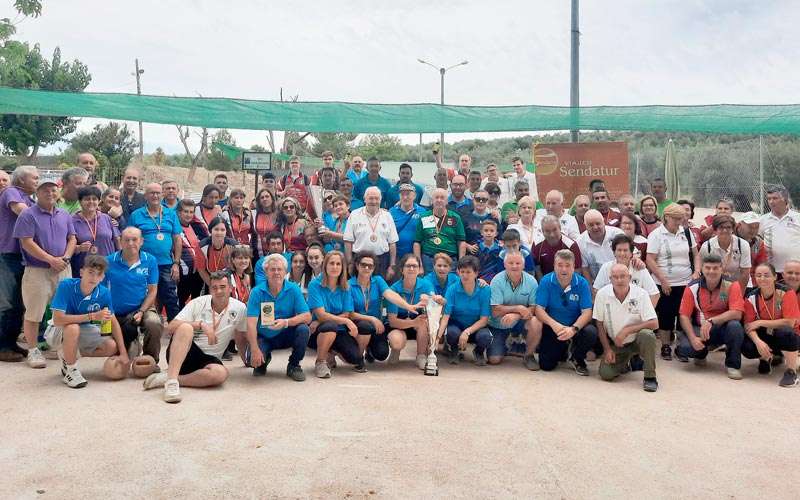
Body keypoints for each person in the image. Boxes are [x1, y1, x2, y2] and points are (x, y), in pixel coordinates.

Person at [143, 271, 247, 403]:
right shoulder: (198, 302)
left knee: (221, 374)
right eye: (214, 287)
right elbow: (171, 327)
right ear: (210, 289)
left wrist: (247, 360)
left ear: (231, 288)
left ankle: (170, 378)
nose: (219, 291)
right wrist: (200, 325)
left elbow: (241, 336)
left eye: (223, 287)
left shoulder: (240, 308)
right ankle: (172, 384)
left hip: (210, 360)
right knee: (185, 327)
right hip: (185, 351)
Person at [14, 179, 76, 368]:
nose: (50, 193)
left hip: (63, 269)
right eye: (45, 190)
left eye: (53, 189)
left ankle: (62, 348)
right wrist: (51, 259)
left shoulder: (64, 214)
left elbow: (72, 238)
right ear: (37, 193)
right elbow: (26, 242)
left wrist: (65, 257)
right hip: (37, 271)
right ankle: (33, 351)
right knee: (34, 312)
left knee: (64, 311)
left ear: (58, 193)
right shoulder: (27, 215)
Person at [46, 254, 129, 388]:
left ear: (102, 277)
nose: (94, 277)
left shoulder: (104, 293)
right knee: (73, 327)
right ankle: (71, 370)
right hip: (58, 330)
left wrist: (123, 353)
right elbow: (57, 319)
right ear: (81, 272)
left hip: (84, 330)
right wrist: (91, 316)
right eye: (90, 272)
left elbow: (113, 321)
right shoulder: (66, 285)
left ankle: (68, 357)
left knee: (111, 346)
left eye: (98, 274)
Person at [676, 254, 746, 379]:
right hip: (699, 327)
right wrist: (693, 338)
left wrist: (712, 321)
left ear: (722, 268)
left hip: (723, 328)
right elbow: (684, 316)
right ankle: (701, 354)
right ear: (702, 269)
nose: (711, 271)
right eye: (707, 268)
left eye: (715, 268)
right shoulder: (692, 287)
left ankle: (733, 365)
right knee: (685, 349)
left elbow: (737, 313)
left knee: (735, 326)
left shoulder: (732, 285)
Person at [646, 202, 700, 361]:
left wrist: (696, 271)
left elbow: (696, 255)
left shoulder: (687, 232)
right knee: (665, 314)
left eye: (681, 218)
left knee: (683, 314)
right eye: (676, 219)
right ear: (666, 217)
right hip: (665, 282)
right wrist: (663, 280)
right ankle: (665, 345)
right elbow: (650, 259)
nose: (679, 222)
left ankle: (681, 347)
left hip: (686, 282)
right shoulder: (657, 235)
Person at [594, 263, 660, 392]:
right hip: (617, 344)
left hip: (637, 340)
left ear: (629, 277)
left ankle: (650, 377)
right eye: (615, 277)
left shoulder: (641, 294)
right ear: (610, 279)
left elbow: (654, 323)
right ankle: (625, 362)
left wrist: (627, 330)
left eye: (623, 276)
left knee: (647, 335)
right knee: (606, 374)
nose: (619, 280)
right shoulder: (602, 294)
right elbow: (599, 324)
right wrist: (607, 349)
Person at [245, 253, 311, 381]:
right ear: (265, 272)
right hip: (265, 336)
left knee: (303, 329)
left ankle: (294, 365)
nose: (276, 273)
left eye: (279, 269)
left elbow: (307, 316)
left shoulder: (293, 289)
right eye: (272, 269)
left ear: (285, 271)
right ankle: (264, 359)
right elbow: (251, 324)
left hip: (287, 334)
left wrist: (286, 322)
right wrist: (254, 349)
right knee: (250, 360)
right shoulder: (257, 292)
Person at [103, 227, 163, 365]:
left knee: (154, 323)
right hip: (116, 312)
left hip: (142, 307)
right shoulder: (108, 261)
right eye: (127, 240)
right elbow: (101, 290)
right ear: (120, 242)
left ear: (141, 241)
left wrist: (142, 311)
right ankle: (133, 344)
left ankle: (151, 360)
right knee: (121, 360)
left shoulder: (150, 260)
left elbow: (153, 290)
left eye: (134, 239)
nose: (130, 243)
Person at [349, 252, 421, 364]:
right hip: (358, 326)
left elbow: (390, 294)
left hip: (376, 326)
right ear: (357, 266)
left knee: (382, 354)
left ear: (374, 268)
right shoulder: (349, 285)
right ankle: (359, 358)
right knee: (364, 326)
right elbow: (350, 313)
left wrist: (408, 306)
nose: (367, 268)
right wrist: (372, 319)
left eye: (370, 266)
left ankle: (370, 350)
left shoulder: (377, 281)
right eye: (363, 265)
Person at [534, 249, 598, 375]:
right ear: (554, 265)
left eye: (568, 265)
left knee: (591, 331)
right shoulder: (546, 281)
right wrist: (554, 325)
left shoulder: (582, 283)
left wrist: (573, 329)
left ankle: (577, 357)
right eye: (560, 265)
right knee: (546, 365)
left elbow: (587, 312)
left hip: (575, 327)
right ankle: (563, 349)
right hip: (553, 327)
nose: (564, 269)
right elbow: (539, 310)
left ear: (574, 266)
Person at [128, 183, 183, 321]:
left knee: (171, 298)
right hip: (143, 264)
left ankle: (174, 331)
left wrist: (176, 263)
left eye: (158, 193)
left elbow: (177, 239)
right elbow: (129, 239)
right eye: (151, 193)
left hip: (166, 264)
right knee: (141, 296)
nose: (155, 195)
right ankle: (141, 327)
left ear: (162, 194)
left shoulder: (171, 214)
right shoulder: (136, 215)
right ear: (145, 195)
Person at [0, 165, 37, 362]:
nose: (37, 181)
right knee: (7, 303)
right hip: (7, 254)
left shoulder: (30, 199)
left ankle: (11, 343)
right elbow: (23, 212)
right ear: (22, 180)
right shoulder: (11, 192)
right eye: (35, 178)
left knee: (19, 303)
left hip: (21, 256)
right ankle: (3, 346)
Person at [741, 262, 800, 387]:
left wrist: (760, 322)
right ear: (755, 278)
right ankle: (765, 358)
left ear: (775, 277)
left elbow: (790, 322)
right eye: (759, 275)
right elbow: (748, 326)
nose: (762, 279)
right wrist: (758, 342)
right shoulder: (751, 297)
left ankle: (791, 372)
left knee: (787, 333)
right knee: (747, 347)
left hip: (785, 332)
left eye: (766, 275)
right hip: (765, 333)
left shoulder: (786, 293)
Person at [307, 251, 364, 378]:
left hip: (339, 330)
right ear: (325, 265)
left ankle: (330, 352)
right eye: (331, 263)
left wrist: (325, 318)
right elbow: (321, 315)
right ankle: (320, 362)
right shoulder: (314, 285)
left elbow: (347, 313)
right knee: (329, 326)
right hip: (319, 331)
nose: (335, 267)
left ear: (342, 267)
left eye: (338, 264)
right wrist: (346, 321)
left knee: (355, 358)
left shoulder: (346, 286)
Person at [386, 254, 444, 368]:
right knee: (396, 341)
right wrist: (413, 322)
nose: (411, 269)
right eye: (408, 266)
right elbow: (392, 321)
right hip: (399, 324)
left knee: (424, 321)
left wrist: (434, 300)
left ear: (419, 269)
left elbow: (434, 299)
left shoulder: (426, 284)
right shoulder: (394, 289)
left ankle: (421, 356)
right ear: (402, 270)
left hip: (419, 323)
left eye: (414, 266)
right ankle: (395, 350)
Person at [487, 251, 541, 368]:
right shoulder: (497, 280)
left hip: (520, 322)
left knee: (536, 322)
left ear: (523, 265)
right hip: (499, 324)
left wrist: (516, 315)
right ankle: (508, 345)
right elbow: (495, 310)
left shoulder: (532, 281)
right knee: (494, 359)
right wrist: (518, 308)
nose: (514, 266)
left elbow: (534, 308)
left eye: (518, 263)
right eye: (510, 263)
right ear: (505, 264)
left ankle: (529, 355)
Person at [437, 256, 492, 366]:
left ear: (476, 273)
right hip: (456, 325)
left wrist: (467, 332)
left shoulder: (485, 290)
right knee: (452, 333)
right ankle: (453, 350)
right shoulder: (452, 289)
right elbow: (446, 317)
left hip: (476, 326)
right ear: (458, 272)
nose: (465, 275)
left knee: (485, 337)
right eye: (462, 272)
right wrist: (437, 338)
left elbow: (484, 320)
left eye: (468, 272)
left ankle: (478, 352)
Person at [344, 187, 398, 279]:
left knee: (378, 289)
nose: (374, 201)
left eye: (376, 198)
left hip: (381, 261)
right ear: (365, 199)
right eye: (371, 198)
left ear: (380, 200)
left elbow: (392, 243)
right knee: (358, 288)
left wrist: (392, 265)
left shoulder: (387, 216)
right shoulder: (354, 214)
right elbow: (348, 241)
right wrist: (349, 263)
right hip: (359, 260)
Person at [593, 234, 660, 306]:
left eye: (625, 250)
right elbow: (596, 291)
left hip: (636, 312)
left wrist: (646, 314)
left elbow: (655, 294)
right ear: (614, 252)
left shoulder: (640, 269)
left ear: (631, 253)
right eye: (619, 250)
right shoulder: (606, 268)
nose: (622, 253)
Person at [414, 188, 466, 273]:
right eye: (436, 197)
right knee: (429, 285)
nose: (439, 200)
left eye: (442, 198)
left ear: (447, 201)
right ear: (432, 201)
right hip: (428, 260)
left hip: (450, 260)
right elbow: (417, 243)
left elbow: (461, 242)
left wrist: (460, 265)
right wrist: (419, 265)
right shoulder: (424, 217)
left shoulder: (455, 218)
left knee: (450, 285)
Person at [70, 186, 119, 276]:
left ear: (99, 201)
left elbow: (117, 240)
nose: (91, 202)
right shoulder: (72, 221)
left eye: (94, 199)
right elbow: (66, 246)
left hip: (107, 268)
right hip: (84, 270)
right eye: (87, 199)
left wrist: (121, 262)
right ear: (80, 202)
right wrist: (79, 248)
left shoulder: (107, 218)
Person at [700, 214, 751, 290]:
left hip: (739, 283)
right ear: (715, 229)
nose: (725, 230)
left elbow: (745, 273)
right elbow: (704, 270)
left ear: (733, 229)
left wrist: (739, 295)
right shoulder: (707, 246)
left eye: (728, 227)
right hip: (716, 285)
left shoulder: (743, 245)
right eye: (721, 227)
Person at [760, 185, 800, 276]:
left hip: (796, 271)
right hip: (773, 271)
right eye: (769, 199)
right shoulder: (763, 220)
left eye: (775, 198)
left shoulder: (797, 218)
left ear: (785, 199)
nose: (771, 202)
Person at [576, 209, 624, 283]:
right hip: (597, 283)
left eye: (598, 223)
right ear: (585, 226)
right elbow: (585, 268)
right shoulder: (580, 242)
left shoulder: (617, 234)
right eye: (591, 225)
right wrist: (591, 290)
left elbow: (629, 255)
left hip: (620, 278)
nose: (595, 227)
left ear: (604, 222)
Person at [177, 199, 207, 304]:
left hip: (196, 272)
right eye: (185, 211)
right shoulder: (174, 228)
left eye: (191, 212)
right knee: (181, 302)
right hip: (182, 273)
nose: (188, 215)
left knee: (195, 301)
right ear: (179, 212)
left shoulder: (193, 226)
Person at [533, 215, 582, 280]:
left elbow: (577, 270)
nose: (552, 235)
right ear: (542, 231)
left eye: (554, 230)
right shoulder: (537, 245)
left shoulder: (571, 245)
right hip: (546, 282)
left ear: (560, 228)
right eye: (547, 231)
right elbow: (537, 269)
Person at [198, 217, 237, 287]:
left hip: (230, 280)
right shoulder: (202, 246)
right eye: (216, 229)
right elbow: (201, 270)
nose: (219, 233)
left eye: (222, 230)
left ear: (226, 231)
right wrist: (212, 286)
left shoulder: (233, 245)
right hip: (211, 280)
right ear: (210, 230)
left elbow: (238, 267)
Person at [389, 184, 426, 260]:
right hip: (396, 256)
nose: (405, 197)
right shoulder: (391, 212)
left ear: (414, 196)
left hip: (415, 256)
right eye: (402, 194)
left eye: (408, 194)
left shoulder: (422, 212)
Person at [736, 211, 768, 281]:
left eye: (756, 227)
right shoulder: (730, 238)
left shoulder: (759, 243)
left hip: (751, 281)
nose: (753, 230)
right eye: (750, 227)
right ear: (739, 225)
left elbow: (762, 266)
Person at [250, 188, 279, 259]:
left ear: (272, 198)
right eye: (262, 197)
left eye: (267, 196)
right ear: (259, 201)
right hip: (257, 252)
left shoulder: (279, 214)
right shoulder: (254, 214)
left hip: (275, 250)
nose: (265, 199)